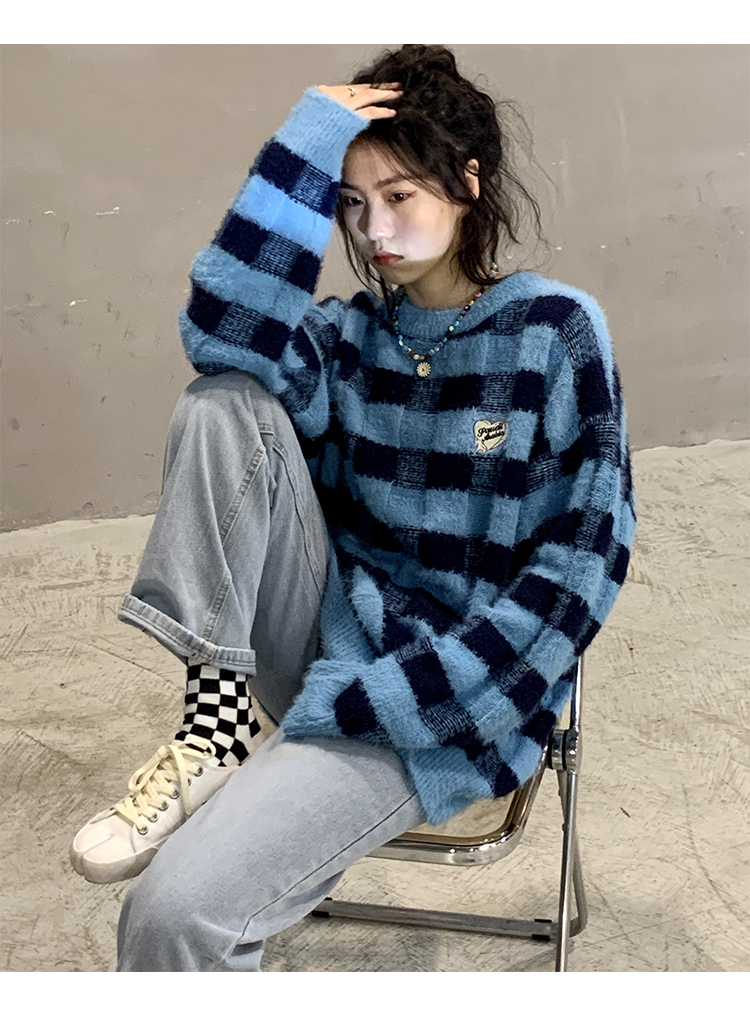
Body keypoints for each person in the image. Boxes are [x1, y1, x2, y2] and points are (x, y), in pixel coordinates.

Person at [70, 44, 637, 971]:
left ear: (467, 181)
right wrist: (307, 143)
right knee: (223, 400)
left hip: (443, 703)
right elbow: (219, 333)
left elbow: (579, 575)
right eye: (351, 203)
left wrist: (378, 701)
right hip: (323, 639)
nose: (374, 229)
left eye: (400, 195)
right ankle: (214, 719)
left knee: (172, 915)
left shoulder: (554, 333)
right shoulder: (347, 336)